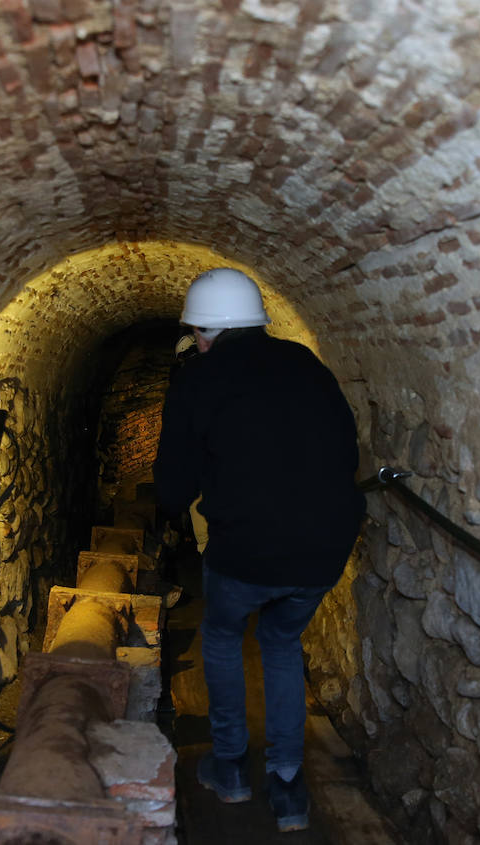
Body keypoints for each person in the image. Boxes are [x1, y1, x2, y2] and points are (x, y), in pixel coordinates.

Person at [154, 267, 366, 833]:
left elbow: (172, 489)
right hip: (324, 546)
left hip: (246, 549)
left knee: (222, 638)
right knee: (280, 640)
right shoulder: (306, 364)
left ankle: (230, 769)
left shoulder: (197, 379)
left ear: (203, 332)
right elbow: (346, 451)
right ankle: (290, 787)